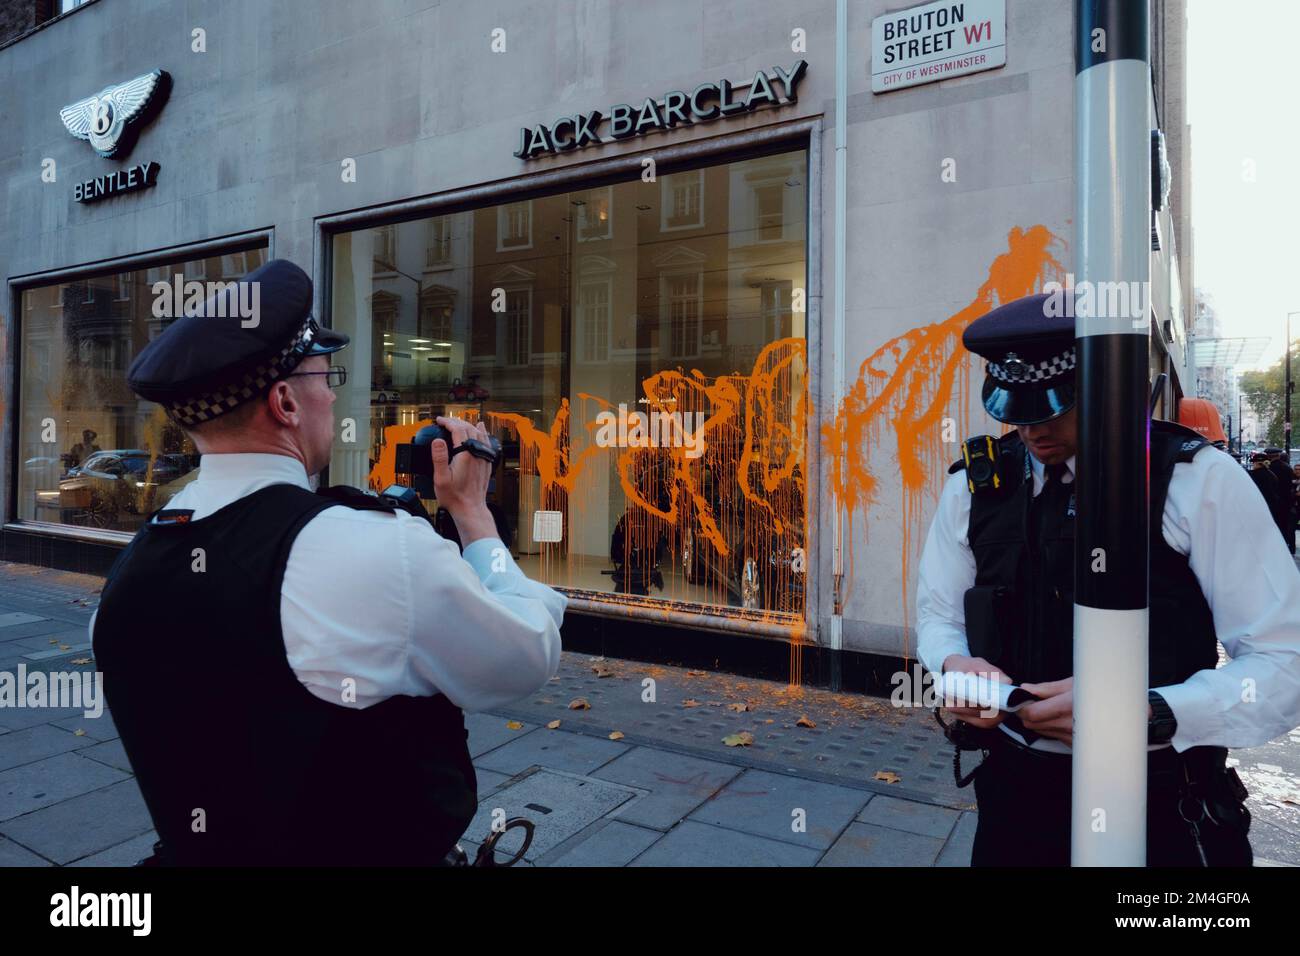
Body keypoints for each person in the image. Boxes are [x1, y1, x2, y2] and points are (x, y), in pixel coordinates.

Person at [90, 259, 565, 866]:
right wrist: (472, 512)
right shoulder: (373, 550)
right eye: (325, 375)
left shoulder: (128, 576)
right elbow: (525, 657)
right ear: (285, 401)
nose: (334, 393)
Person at [915, 292, 1300, 867]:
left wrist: (1151, 712)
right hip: (1015, 800)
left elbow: (1284, 660)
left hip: (1160, 797)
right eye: (1015, 414)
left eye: (1050, 410)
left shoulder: (1197, 481)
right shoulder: (972, 487)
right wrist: (953, 666)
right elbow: (937, 616)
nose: (1031, 432)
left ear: (1103, 387)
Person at [1265, 448, 1296, 555]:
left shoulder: (1268, 468)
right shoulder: (1287, 468)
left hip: (1273, 502)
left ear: (1268, 456)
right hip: (1286, 502)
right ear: (1278, 455)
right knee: (1286, 526)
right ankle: (1289, 547)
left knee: (1274, 525)